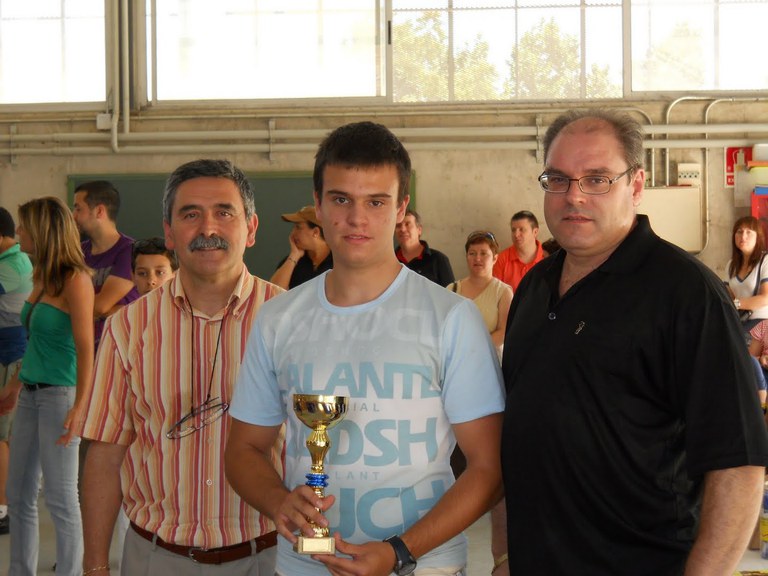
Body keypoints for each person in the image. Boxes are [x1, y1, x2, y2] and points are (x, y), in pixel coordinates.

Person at [225, 121, 504, 576]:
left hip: (424, 567)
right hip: (305, 567)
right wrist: (279, 502)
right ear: (318, 204)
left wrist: (399, 551)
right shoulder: (278, 318)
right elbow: (243, 450)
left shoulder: (452, 317)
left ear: (401, 208)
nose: (357, 218)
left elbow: (488, 469)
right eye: (341, 200)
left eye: (376, 201)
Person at [500, 108, 768, 575]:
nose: (574, 195)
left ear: (636, 185)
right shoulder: (533, 288)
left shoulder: (686, 293)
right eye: (558, 179)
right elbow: (517, 436)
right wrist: (505, 556)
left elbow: (738, 462)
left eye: (597, 179)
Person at [79, 159, 285, 576]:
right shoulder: (128, 326)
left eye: (224, 212)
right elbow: (105, 454)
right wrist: (95, 565)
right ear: (170, 232)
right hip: (156, 558)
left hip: (270, 556)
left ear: (251, 228)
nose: (208, 228)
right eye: (190, 214)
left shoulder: (292, 320)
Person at [0, 197, 94, 576]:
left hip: (61, 396)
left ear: (42, 230)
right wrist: (15, 385)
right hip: (30, 393)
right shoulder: (40, 276)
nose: (19, 232)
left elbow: (86, 349)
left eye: (24, 226)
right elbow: (36, 342)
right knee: (19, 494)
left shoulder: (76, 280)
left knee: (60, 497)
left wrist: (81, 406)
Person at [72, 180, 140, 349]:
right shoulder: (78, 252)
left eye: (78, 209)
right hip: (82, 348)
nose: (73, 216)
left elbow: (100, 306)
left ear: (99, 211)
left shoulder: (130, 250)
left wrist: (75, 309)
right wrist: (115, 310)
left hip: (118, 350)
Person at [0, 208, 33, 537]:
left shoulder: (13, 264)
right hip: (8, 357)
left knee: (1, 437)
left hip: (11, 358)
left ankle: (2, 509)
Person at [447, 230, 512, 357]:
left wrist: (472, 349)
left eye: (483, 253)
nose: (477, 258)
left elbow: (504, 332)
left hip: (489, 361)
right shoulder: (452, 289)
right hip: (456, 360)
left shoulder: (503, 292)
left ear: (495, 258)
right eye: (472, 253)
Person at [270, 205, 332, 289]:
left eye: (298, 227)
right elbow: (273, 292)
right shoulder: (292, 261)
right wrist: (294, 256)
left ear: (315, 232)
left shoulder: (339, 261)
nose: (292, 233)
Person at [725, 216, 768, 334]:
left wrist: (736, 304)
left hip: (762, 323)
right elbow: (727, 296)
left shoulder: (765, 260)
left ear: (758, 237)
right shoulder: (731, 265)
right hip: (740, 321)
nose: (743, 236)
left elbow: (766, 298)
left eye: (749, 232)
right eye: (739, 231)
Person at [395, 208, 455, 286]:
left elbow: (450, 292)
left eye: (407, 224)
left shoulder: (438, 259)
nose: (402, 229)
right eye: (398, 225)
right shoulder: (390, 261)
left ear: (419, 230)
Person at [492, 210, 545, 291]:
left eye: (522, 229)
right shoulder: (502, 259)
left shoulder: (548, 257)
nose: (516, 235)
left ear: (535, 232)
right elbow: (495, 293)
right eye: (513, 230)